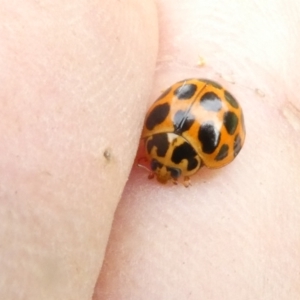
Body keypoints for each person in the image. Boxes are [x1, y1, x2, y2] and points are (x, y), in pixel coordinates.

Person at [1, 1, 299, 299]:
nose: (162, 172)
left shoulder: (169, 139)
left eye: (161, 165)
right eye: (165, 165)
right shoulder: (178, 143)